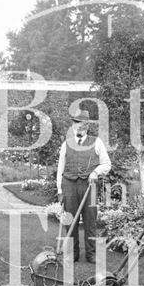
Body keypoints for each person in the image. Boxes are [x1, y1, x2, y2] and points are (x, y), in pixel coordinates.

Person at [56, 109, 111, 263]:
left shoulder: (97, 142)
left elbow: (107, 164)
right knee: (70, 220)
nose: (79, 126)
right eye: (76, 123)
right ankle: (73, 253)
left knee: (90, 220)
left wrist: (96, 172)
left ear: (87, 125)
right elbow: (60, 168)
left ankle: (91, 254)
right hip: (69, 185)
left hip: (89, 186)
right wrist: (60, 190)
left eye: (82, 123)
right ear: (73, 125)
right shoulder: (66, 144)